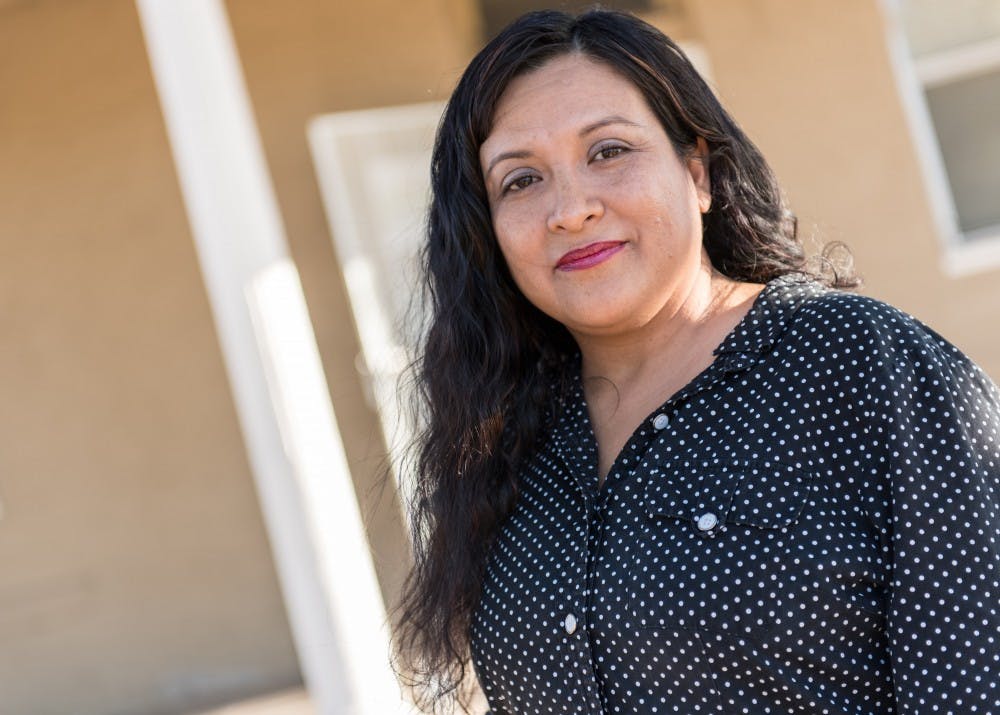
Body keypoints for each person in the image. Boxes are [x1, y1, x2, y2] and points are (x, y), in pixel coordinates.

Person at [394, 8, 1000, 714]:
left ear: (698, 172)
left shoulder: (857, 366)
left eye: (608, 151)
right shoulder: (514, 438)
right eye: (520, 180)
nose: (570, 209)